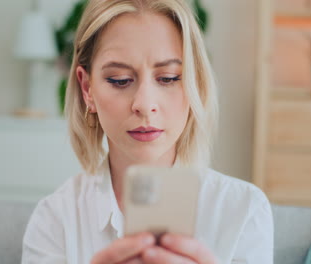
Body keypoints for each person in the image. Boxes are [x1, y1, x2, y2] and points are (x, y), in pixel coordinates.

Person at [21, 0, 273, 263]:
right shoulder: (55, 218)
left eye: (168, 78)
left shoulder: (243, 210)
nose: (144, 104)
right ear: (87, 89)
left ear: (194, 83)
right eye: (119, 80)